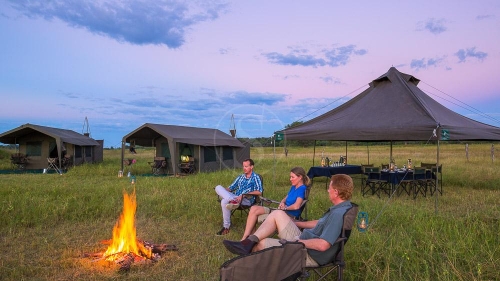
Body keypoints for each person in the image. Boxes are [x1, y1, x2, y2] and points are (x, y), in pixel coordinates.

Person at [222, 174, 354, 267]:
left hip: (308, 252)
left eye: (329, 188)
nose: (327, 190)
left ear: (336, 192)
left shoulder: (338, 214)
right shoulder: (342, 208)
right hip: (305, 241)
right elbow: (318, 223)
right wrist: (295, 223)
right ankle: (248, 243)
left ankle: (247, 258)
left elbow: (323, 245)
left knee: (262, 244)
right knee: (278, 214)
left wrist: (298, 241)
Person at [240, 166, 310, 240]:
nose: (290, 179)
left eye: (292, 177)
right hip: (281, 211)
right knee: (254, 208)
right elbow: (285, 199)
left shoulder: (302, 189)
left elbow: (296, 206)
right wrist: (282, 203)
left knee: (254, 216)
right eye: (290, 177)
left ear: (300, 177)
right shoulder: (294, 187)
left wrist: (285, 208)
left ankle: (248, 239)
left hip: (288, 216)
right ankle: (247, 237)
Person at [215, 158, 263, 236]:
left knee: (224, 201)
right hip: (235, 197)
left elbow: (259, 192)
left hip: (246, 199)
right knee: (218, 187)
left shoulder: (255, 177)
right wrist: (222, 191)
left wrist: (243, 195)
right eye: (243, 166)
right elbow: (230, 188)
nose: (244, 168)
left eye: (246, 166)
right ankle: (232, 201)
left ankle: (226, 226)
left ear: (251, 167)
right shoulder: (240, 177)